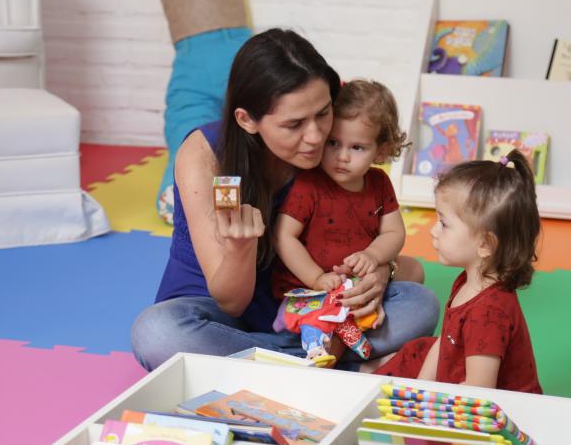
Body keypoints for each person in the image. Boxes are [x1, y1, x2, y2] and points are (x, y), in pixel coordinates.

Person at [131, 28, 440, 372]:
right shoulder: (206, 157)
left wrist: (380, 271)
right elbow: (231, 302)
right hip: (217, 315)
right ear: (247, 120)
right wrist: (240, 247)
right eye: (293, 124)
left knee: (420, 302)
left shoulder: (333, 151)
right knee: (156, 333)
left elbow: (399, 260)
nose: (315, 136)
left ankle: (271, 366)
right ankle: (322, 364)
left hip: (310, 310)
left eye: (323, 113)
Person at [271, 79, 424, 362]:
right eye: (333, 143)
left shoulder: (379, 183)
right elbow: (283, 236)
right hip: (311, 294)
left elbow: (393, 232)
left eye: (357, 148)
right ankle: (327, 355)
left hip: (355, 291)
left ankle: (346, 349)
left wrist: (373, 255)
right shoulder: (310, 184)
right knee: (324, 330)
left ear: (380, 150)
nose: (341, 157)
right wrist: (316, 277)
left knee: (418, 285)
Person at [374, 149, 543, 393]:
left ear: (485, 244)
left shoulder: (489, 314)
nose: (433, 231)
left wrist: (426, 404)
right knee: (418, 351)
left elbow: (478, 391)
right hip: (460, 376)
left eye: (444, 224)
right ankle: (368, 381)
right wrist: (420, 385)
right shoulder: (468, 280)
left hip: (496, 407)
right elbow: (445, 340)